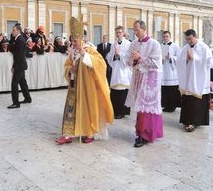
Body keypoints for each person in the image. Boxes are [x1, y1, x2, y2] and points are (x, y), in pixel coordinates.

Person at [56, 16, 114, 145]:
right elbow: (67, 65)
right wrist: (70, 70)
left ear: (82, 39)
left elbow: (101, 64)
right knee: (72, 109)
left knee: (87, 108)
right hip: (74, 86)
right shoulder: (72, 51)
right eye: (72, 40)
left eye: (75, 40)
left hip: (88, 87)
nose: (73, 42)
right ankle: (69, 133)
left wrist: (85, 55)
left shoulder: (90, 49)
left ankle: (89, 132)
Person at [126, 20, 163, 148]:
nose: (135, 33)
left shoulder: (154, 44)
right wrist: (133, 60)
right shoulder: (134, 44)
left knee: (147, 110)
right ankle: (140, 133)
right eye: (134, 30)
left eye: (137, 30)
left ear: (144, 29)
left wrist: (140, 58)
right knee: (140, 109)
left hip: (150, 81)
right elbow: (128, 60)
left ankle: (145, 134)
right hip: (138, 79)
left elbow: (156, 64)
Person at [177, 29, 213, 132]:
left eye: (190, 39)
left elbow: (210, 63)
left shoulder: (204, 47)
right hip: (188, 79)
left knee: (196, 103)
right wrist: (186, 59)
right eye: (187, 39)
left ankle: (194, 122)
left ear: (195, 36)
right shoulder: (185, 48)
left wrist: (195, 58)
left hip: (199, 80)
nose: (189, 41)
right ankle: (186, 120)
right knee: (188, 101)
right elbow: (179, 61)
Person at [106, 26, 131, 119]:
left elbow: (129, 58)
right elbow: (109, 56)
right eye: (117, 32)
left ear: (123, 33)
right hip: (116, 70)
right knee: (115, 92)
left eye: (120, 32)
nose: (118, 34)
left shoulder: (128, 44)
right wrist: (114, 55)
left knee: (123, 92)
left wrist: (119, 55)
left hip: (124, 71)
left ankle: (122, 112)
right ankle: (115, 111)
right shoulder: (113, 44)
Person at [7, 24, 32, 109]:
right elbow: (14, 50)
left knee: (14, 83)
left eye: (13, 30)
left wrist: (14, 67)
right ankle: (28, 98)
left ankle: (16, 103)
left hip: (19, 65)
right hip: (21, 65)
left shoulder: (20, 40)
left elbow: (19, 55)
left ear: (18, 31)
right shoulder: (17, 39)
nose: (12, 32)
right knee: (22, 82)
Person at [160, 31, 181, 112]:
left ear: (170, 37)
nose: (165, 38)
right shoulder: (161, 46)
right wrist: (161, 59)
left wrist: (170, 57)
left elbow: (179, 58)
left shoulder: (175, 46)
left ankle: (172, 106)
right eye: (164, 36)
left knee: (172, 90)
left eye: (167, 36)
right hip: (164, 70)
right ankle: (166, 105)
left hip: (172, 71)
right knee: (165, 89)